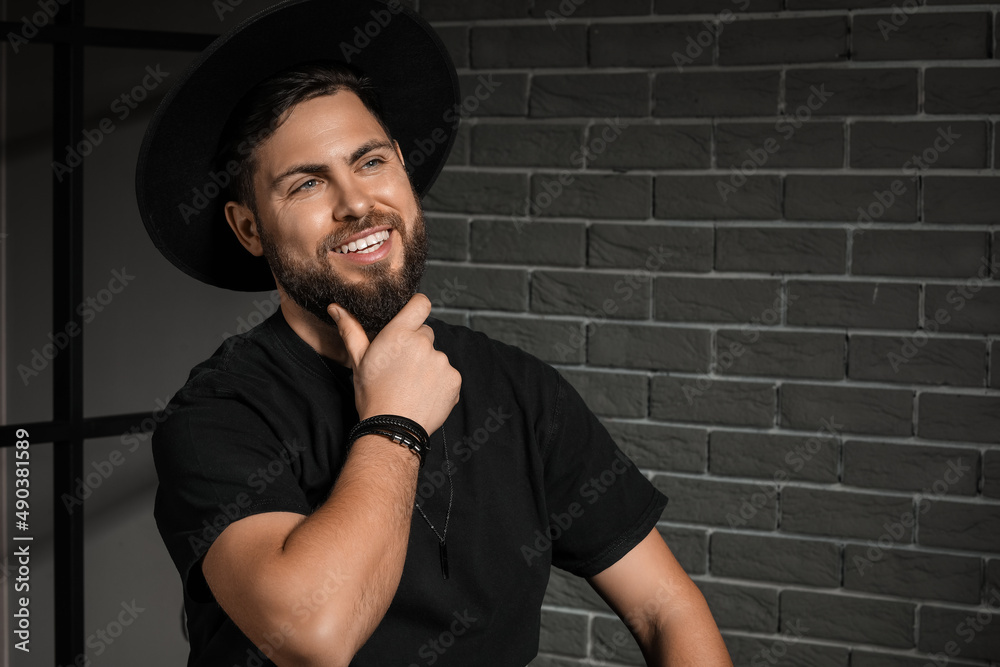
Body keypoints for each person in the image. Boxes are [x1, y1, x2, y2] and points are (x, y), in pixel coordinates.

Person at [136, 1, 733, 665]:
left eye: (370, 162)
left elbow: (664, 606)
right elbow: (316, 635)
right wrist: (395, 420)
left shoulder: (521, 390)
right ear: (249, 228)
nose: (357, 202)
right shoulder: (218, 415)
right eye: (307, 183)